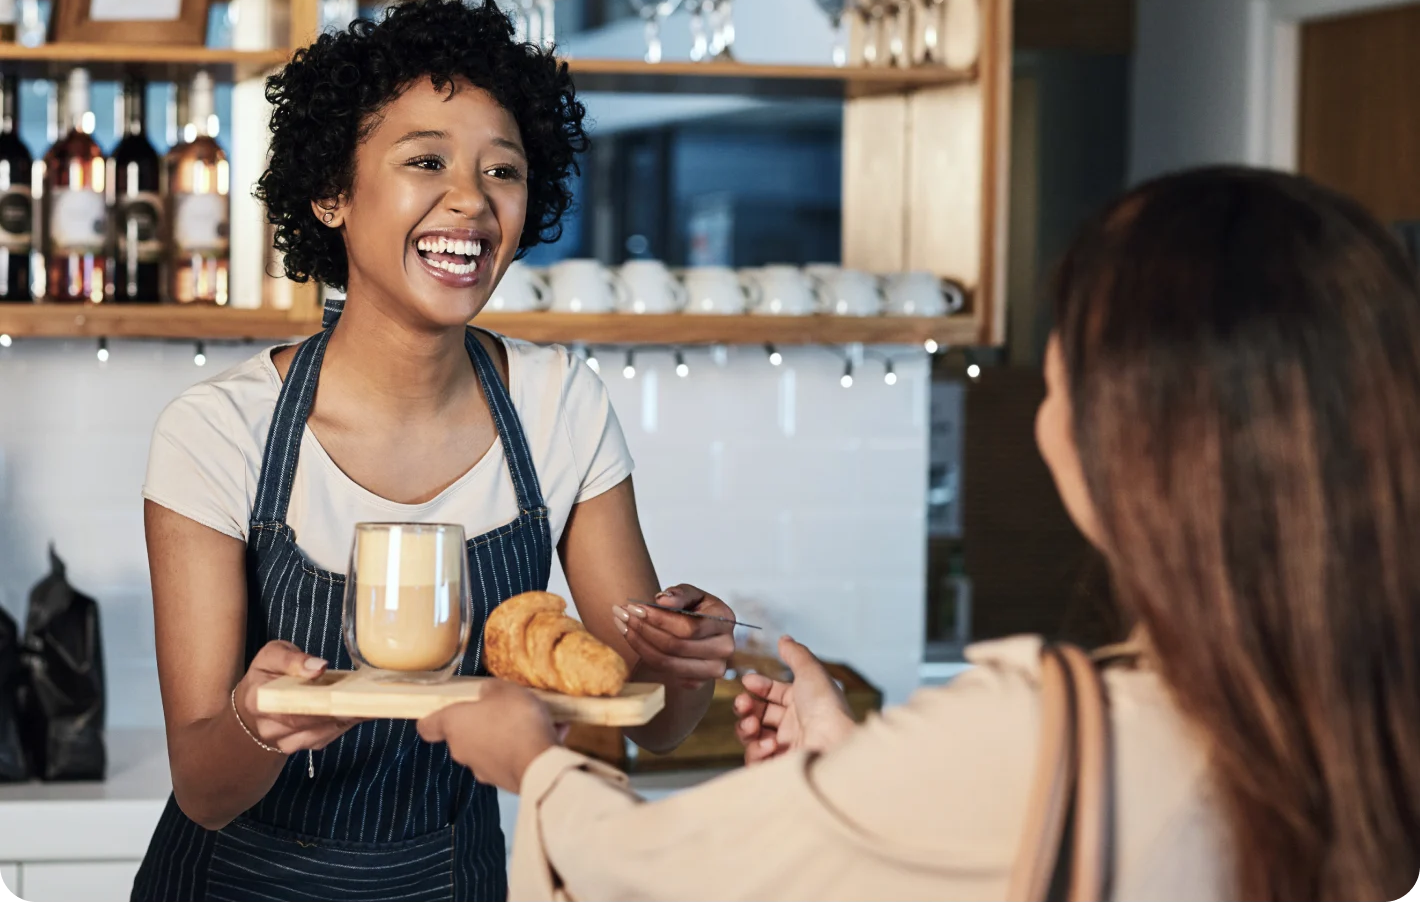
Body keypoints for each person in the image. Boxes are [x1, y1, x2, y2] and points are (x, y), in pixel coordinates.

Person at [419, 166, 1420, 902]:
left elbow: (664, 875)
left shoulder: (1045, 730)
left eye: (1066, 364)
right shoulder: (1364, 729)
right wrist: (859, 775)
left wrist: (537, 766)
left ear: (1132, 438)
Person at [130, 0, 736, 903]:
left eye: (504, 171)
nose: (472, 202)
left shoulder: (558, 404)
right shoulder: (221, 431)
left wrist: (685, 661)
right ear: (331, 192)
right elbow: (205, 788)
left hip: (452, 881)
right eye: (425, 161)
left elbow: (645, 717)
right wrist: (258, 723)